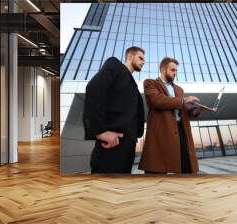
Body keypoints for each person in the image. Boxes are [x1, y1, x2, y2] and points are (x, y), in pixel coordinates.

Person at [138, 57, 207, 174]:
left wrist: (197, 110)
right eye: (172, 70)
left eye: (176, 70)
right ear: (163, 70)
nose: (175, 73)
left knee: (186, 168)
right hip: (161, 132)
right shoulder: (150, 83)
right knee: (157, 171)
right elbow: (156, 100)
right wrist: (183, 100)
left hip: (181, 131)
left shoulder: (179, 89)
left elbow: (183, 110)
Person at [83, 46, 145, 174]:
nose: (143, 62)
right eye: (140, 58)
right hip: (112, 144)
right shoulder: (115, 65)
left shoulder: (134, 86)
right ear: (130, 56)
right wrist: (100, 131)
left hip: (129, 145)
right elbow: (93, 88)